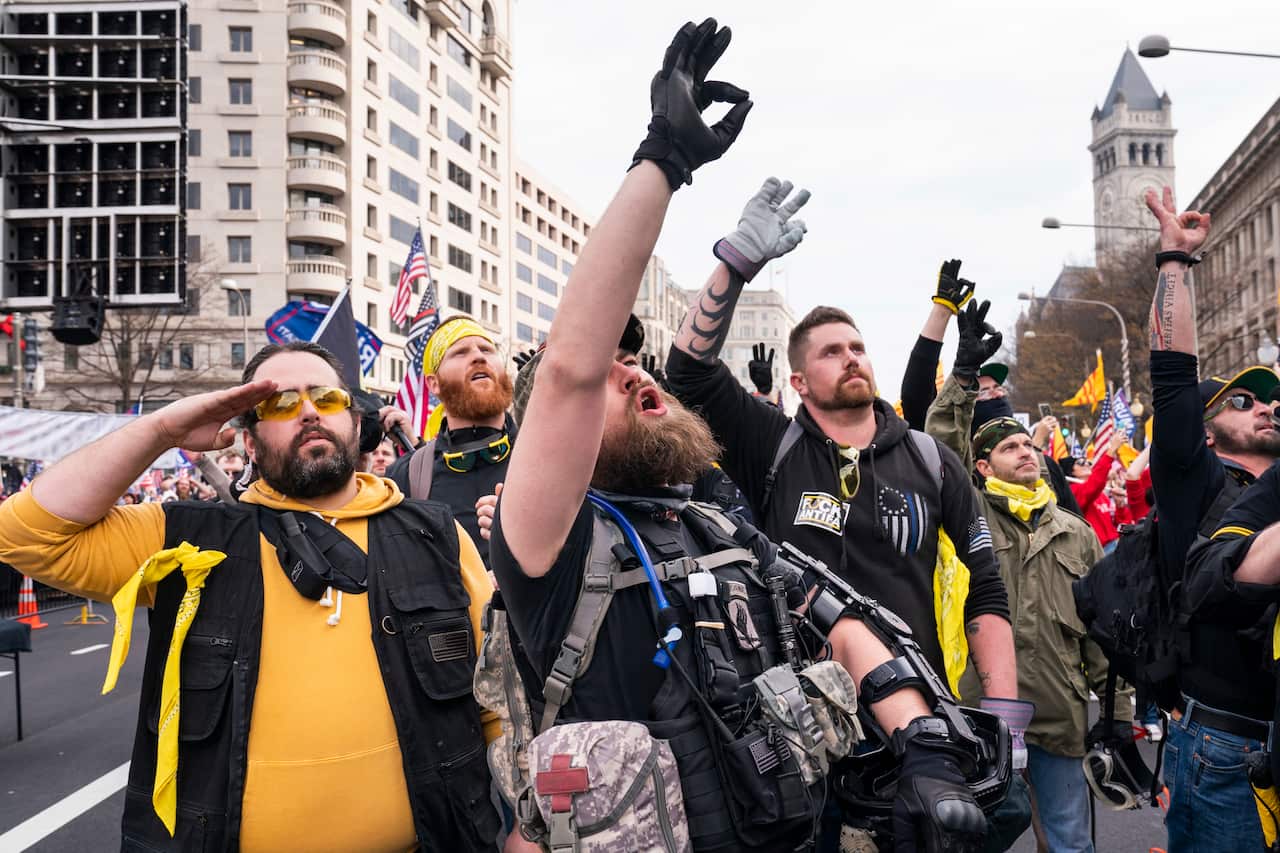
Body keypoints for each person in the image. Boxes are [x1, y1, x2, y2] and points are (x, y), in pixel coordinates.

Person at [488, 19, 990, 852]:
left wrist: (922, 742)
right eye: (613, 382)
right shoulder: (553, 543)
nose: (635, 375)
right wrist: (664, 159)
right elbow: (573, 366)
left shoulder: (716, 521)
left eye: (637, 369)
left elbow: (839, 616)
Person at [0, 340, 500, 851]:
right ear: (251, 443)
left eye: (326, 397)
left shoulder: (434, 533)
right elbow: (23, 535)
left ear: (353, 421)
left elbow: (499, 698)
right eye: (280, 403)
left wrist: (526, 828)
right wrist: (161, 431)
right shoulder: (186, 537)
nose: (307, 411)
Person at [666, 206, 1016, 707]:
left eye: (857, 347)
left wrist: (1004, 715)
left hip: (924, 719)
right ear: (799, 383)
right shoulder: (774, 446)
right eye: (831, 352)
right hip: (808, 727)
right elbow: (689, 372)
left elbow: (986, 586)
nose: (851, 356)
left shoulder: (932, 459)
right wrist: (736, 264)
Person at [926, 319, 1132, 853]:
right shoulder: (968, 515)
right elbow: (940, 448)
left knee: (1067, 840)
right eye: (1009, 447)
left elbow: (1102, 632)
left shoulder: (1077, 532)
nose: (1026, 452)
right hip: (978, 710)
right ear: (981, 464)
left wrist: (1118, 717)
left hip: (1058, 711)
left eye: (1028, 444)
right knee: (976, 837)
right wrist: (964, 375)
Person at [1140, 185, 1280, 852]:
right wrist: (1175, 259)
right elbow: (1171, 372)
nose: (1266, 408)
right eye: (1245, 400)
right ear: (1203, 431)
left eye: (1272, 401)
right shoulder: (1194, 479)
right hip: (1227, 747)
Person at [1063, 432, 1127, 553]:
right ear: (1071, 471)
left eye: (1089, 462)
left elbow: (1119, 524)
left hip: (1114, 546)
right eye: (1081, 462)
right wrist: (1111, 450)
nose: (1087, 464)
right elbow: (1095, 483)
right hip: (1098, 550)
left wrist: (1120, 506)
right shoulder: (1074, 491)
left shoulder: (1102, 494)